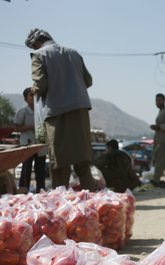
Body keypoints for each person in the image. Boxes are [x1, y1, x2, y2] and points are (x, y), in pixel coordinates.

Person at [25, 28, 97, 191]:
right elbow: (88, 80)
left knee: (60, 164)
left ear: (36, 42)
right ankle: (93, 204)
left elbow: (41, 85)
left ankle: (60, 207)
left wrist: (33, 90)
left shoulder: (39, 55)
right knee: (83, 163)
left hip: (56, 113)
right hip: (80, 110)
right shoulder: (73, 52)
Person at [13, 87, 46, 192]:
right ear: (26, 99)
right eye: (31, 95)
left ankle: (41, 191)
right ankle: (23, 191)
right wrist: (30, 127)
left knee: (40, 169)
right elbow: (15, 127)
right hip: (28, 144)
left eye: (35, 95)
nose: (33, 97)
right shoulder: (23, 112)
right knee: (26, 169)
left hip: (40, 145)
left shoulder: (41, 112)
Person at [150, 93, 165, 188]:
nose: (157, 102)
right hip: (160, 141)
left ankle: (156, 180)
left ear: (164, 101)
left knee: (161, 162)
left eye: (159, 100)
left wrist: (159, 127)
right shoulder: (160, 112)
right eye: (156, 100)